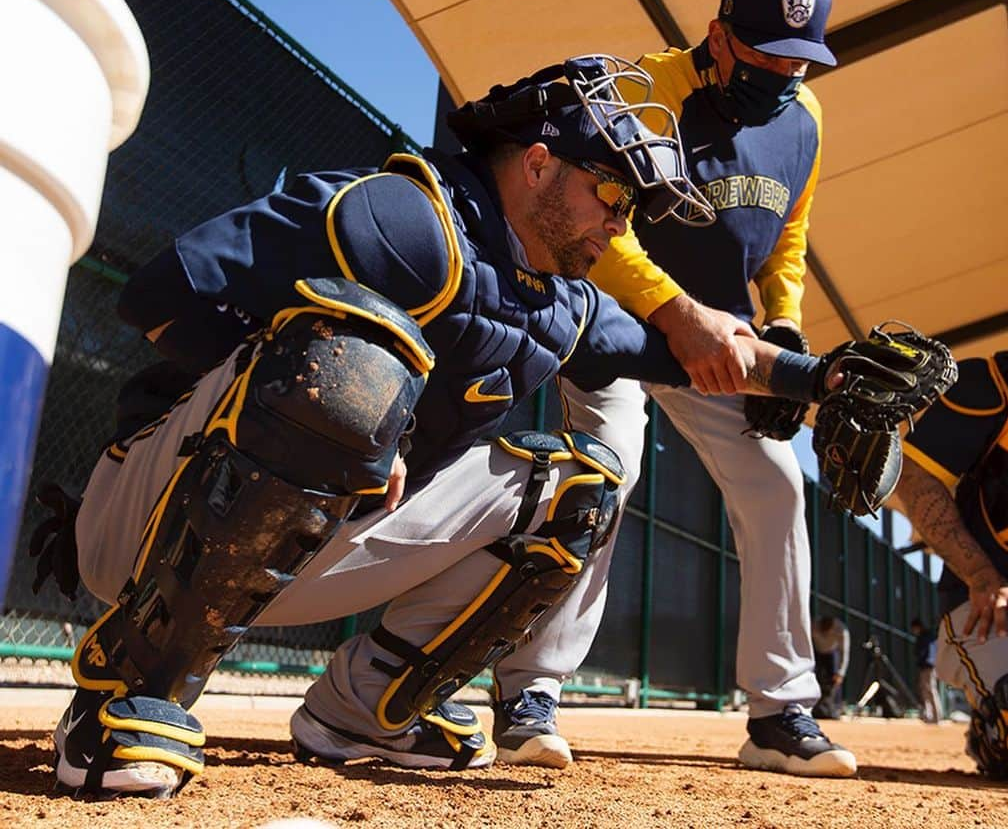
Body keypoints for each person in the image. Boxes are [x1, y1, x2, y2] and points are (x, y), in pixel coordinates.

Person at [39, 56, 865, 800]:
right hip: (151, 524)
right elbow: (155, 296)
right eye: (612, 196)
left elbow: (681, 354)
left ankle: (366, 708)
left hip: (309, 553)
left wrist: (826, 378)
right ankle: (129, 693)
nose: (621, 228)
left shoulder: (561, 299)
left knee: (580, 486)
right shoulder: (399, 215)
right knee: (355, 363)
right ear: (538, 164)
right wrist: (322, 399)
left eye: (631, 213)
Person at [489, 0, 857, 778]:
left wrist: (785, 325)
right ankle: (531, 690)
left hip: (722, 334)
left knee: (777, 488)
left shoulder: (808, 118)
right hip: (621, 318)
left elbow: (788, 232)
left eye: (798, 61)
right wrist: (672, 310)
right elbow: (594, 222)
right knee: (605, 474)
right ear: (718, 36)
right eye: (764, 56)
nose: (782, 75)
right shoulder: (642, 86)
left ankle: (781, 711)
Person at [895, 205, 1008, 787]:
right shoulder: (992, 382)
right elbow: (910, 476)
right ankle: (996, 728)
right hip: (1006, 612)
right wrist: (981, 575)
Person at [811, 616, 849, 720]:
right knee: (814, 679)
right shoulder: (813, 626)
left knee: (834, 681)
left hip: (831, 653)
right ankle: (815, 707)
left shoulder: (841, 630)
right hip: (816, 652)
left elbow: (844, 652)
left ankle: (834, 708)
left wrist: (840, 673)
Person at [909, 617, 941, 724]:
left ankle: (936, 716)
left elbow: (927, 653)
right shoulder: (926, 636)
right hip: (925, 667)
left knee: (931, 690)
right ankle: (929, 715)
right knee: (925, 691)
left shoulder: (926, 637)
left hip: (928, 667)